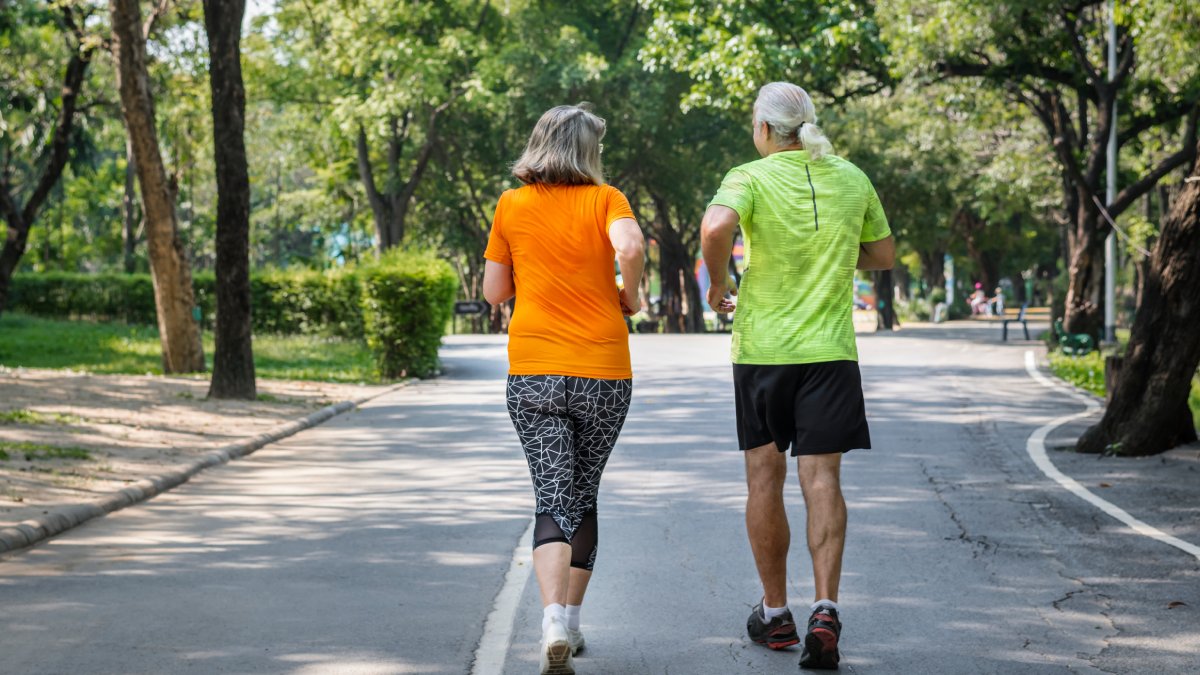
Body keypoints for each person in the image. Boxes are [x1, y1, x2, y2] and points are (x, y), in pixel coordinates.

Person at [700, 82, 895, 670]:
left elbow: (714, 230)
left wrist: (717, 285)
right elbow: (882, 255)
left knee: (764, 478)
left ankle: (777, 614)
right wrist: (833, 253)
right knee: (823, 480)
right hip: (830, 354)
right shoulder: (851, 176)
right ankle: (826, 607)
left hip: (763, 352)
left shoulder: (750, 177)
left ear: (764, 129)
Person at [482, 103, 645, 675]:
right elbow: (628, 247)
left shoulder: (511, 204)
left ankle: (551, 619)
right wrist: (632, 294)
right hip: (602, 371)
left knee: (553, 496)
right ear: (588, 151)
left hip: (533, 373)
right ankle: (572, 624)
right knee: (584, 491)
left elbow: (495, 292)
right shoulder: (608, 200)